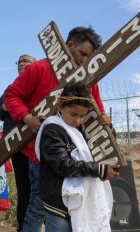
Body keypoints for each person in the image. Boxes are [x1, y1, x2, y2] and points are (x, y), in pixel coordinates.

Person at [4, 27, 110, 232]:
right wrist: (27, 118)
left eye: (90, 57)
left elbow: (97, 109)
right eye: (83, 54)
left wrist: (104, 119)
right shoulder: (39, 68)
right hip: (40, 151)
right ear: (69, 45)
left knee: (68, 202)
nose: (85, 60)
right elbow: (11, 96)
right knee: (39, 203)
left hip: (72, 155)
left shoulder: (87, 78)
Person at [35, 82, 119, 232]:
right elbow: (62, 164)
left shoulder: (79, 128)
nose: (78, 120)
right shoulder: (52, 129)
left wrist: (108, 128)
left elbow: (100, 148)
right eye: (74, 114)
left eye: (82, 116)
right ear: (60, 106)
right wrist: (99, 170)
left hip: (79, 199)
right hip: (58, 203)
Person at [0, 54, 36, 232]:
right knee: (23, 186)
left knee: (39, 185)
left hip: (37, 143)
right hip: (17, 143)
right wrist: (8, 104)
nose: (22, 64)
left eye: (27, 61)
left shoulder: (38, 85)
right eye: (20, 61)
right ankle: (23, 226)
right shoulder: (10, 89)